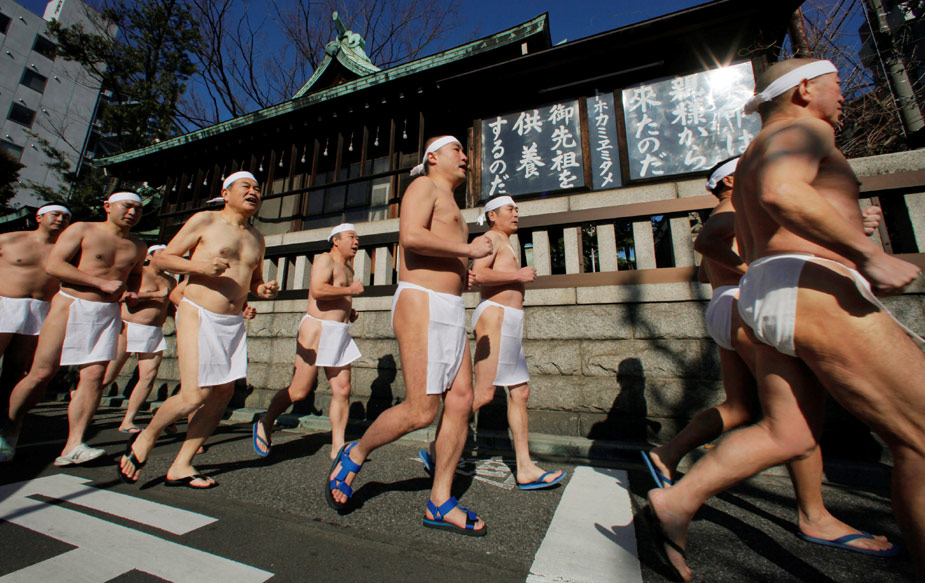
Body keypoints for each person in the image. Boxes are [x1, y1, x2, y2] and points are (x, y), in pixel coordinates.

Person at [645, 58, 925, 581]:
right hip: (810, 287)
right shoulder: (804, 128)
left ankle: (677, 500)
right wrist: (868, 254)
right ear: (804, 90)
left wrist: (851, 224)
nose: (843, 95)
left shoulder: (756, 150)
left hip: (769, 290)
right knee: (921, 435)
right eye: (836, 84)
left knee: (786, 431)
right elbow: (783, 193)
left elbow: (781, 205)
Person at [642, 157, 894, 557]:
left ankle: (667, 453)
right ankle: (814, 516)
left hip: (725, 306)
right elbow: (707, 243)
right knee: (796, 414)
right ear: (729, 180)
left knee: (740, 407)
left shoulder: (733, 210)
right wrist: (753, 269)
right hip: (742, 304)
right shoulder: (735, 206)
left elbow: (707, 270)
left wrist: (849, 232)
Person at [325, 136, 492, 536]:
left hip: (449, 305)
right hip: (421, 301)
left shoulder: (451, 202)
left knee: (461, 402)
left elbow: (438, 247)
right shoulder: (423, 186)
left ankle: (440, 501)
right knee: (422, 410)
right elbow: (411, 237)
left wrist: (460, 269)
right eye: (457, 150)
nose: (465, 156)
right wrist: (468, 250)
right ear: (432, 157)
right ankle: (356, 452)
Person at [117, 170, 279, 489]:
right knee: (195, 394)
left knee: (223, 393)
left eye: (258, 188)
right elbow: (164, 259)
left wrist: (263, 290)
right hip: (199, 312)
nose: (253, 192)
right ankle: (146, 437)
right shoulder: (205, 220)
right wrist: (200, 266)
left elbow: (255, 280)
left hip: (232, 323)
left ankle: (182, 464)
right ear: (226, 193)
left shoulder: (257, 238)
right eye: (246, 186)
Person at [419, 196, 564, 490]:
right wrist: (517, 275)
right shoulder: (490, 238)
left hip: (510, 319)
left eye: (517, 209)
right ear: (492, 215)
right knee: (484, 394)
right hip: (494, 317)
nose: (516, 213)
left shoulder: (506, 241)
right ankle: (437, 447)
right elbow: (480, 274)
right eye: (510, 209)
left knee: (520, 392)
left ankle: (525, 467)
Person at [3, 193, 146, 466]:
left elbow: (137, 273)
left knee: (93, 377)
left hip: (106, 313)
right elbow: (54, 264)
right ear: (107, 207)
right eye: (127, 206)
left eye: (138, 209)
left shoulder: (138, 245)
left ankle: (74, 445)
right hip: (70, 304)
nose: (132, 213)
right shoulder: (83, 229)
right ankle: (9, 428)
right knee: (41, 373)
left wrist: (133, 292)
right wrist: (99, 283)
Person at [253, 223, 362, 459]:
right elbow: (318, 290)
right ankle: (266, 420)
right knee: (300, 391)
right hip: (317, 328)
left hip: (339, 331)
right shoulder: (324, 259)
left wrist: (349, 311)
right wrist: (350, 292)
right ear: (336, 240)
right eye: (351, 237)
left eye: (357, 238)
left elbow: (339, 296)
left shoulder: (349, 270)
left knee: (343, 389)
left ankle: (338, 446)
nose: (356, 242)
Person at [0, 204, 72, 461]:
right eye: (56, 214)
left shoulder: (67, 249)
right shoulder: (8, 239)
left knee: (17, 370)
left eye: (66, 217)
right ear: (39, 217)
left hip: (41, 308)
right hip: (5, 302)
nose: (61, 219)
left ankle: (7, 425)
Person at [101, 244, 176, 434]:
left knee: (148, 376)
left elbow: (169, 305)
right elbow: (123, 296)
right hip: (129, 327)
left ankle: (128, 420)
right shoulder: (138, 273)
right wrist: (155, 294)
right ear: (150, 256)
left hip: (153, 331)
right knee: (107, 375)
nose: (166, 257)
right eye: (162, 253)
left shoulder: (171, 280)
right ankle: (81, 398)